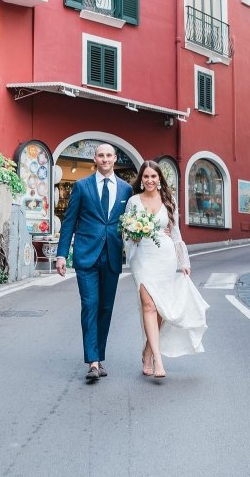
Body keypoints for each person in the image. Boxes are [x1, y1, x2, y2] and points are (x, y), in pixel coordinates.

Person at [56, 143, 133, 382]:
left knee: (106, 308)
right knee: (90, 304)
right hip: (86, 255)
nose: (105, 159)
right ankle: (93, 361)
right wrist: (61, 254)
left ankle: (99, 354)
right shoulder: (81, 186)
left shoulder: (126, 190)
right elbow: (69, 222)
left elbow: (130, 223)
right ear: (95, 158)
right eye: (101, 155)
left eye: (109, 155)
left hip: (111, 255)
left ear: (115, 158)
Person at [125, 161, 209, 378]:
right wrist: (133, 235)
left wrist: (184, 263)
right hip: (142, 257)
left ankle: (147, 351)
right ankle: (158, 360)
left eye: (153, 176)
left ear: (159, 179)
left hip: (166, 258)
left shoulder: (169, 202)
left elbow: (176, 234)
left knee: (161, 308)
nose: (150, 180)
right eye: (146, 177)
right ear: (141, 179)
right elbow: (126, 233)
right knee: (149, 305)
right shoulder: (134, 202)